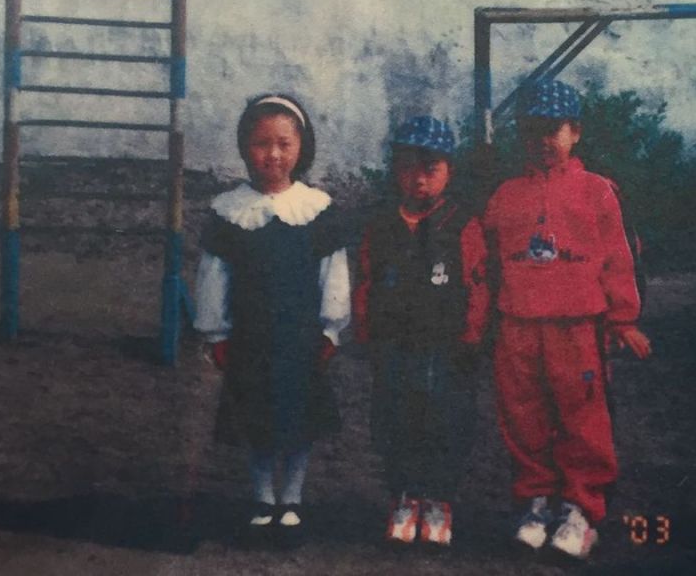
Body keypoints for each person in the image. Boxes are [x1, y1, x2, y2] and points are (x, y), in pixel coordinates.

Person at [483, 79, 651, 559]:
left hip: (578, 327)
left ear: (574, 131)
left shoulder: (597, 191)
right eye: (532, 129)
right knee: (523, 415)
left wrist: (623, 320)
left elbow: (621, 258)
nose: (542, 140)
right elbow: (488, 263)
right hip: (517, 325)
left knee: (583, 417)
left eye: (551, 129)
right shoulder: (505, 196)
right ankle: (536, 502)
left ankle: (581, 509)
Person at [194, 93, 351, 539]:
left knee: (299, 420)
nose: (273, 154)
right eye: (262, 143)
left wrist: (330, 328)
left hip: (300, 339)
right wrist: (216, 333)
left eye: (284, 143)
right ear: (245, 147)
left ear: (302, 147)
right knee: (257, 419)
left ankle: (293, 497)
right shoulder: (229, 212)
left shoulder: (317, 210)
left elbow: (334, 272)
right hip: (250, 339)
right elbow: (213, 276)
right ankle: (263, 495)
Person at [353, 116, 490, 547]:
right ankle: (403, 497)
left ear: (449, 171)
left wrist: (471, 336)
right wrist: (364, 330)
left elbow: (478, 283)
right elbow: (366, 279)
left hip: (446, 349)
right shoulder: (380, 224)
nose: (420, 179)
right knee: (395, 420)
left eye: (431, 169)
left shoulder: (461, 223)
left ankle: (438, 500)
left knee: (444, 423)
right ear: (396, 170)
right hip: (394, 345)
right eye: (410, 167)